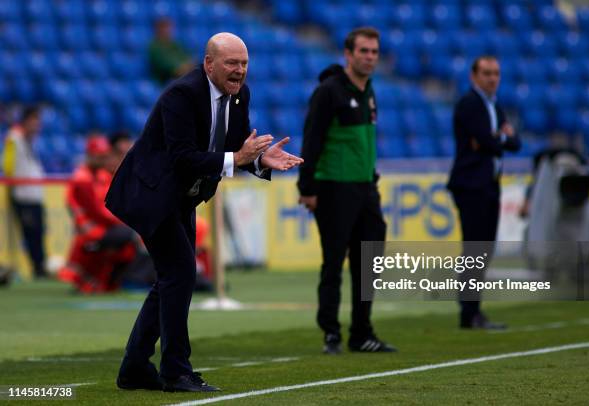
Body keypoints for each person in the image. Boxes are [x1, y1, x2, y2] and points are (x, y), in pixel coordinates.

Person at [106, 32, 303, 392]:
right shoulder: (181, 95)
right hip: (152, 193)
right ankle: (175, 371)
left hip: (183, 196)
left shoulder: (240, 95)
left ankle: (135, 367)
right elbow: (183, 159)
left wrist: (260, 159)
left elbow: (237, 150)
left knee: (172, 277)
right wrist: (239, 158)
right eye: (232, 63)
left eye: (244, 63)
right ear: (208, 63)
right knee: (181, 271)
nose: (240, 71)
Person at [297, 27, 395, 354]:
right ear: (348, 54)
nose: (369, 57)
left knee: (368, 264)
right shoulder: (328, 92)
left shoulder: (370, 90)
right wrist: (307, 187)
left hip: (366, 189)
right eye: (363, 51)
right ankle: (331, 333)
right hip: (334, 189)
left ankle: (362, 333)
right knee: (334, 263)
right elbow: (312, 140)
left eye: (374, 52)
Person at [447, 56, 521, 330]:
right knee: (475, 248)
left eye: (496, 73)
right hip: (471, 184)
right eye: (487, 73)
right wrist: (500, 137)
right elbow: (492, 140)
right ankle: (469, 312)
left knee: (484, 249)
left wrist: (497, 139)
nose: (493, 78)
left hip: (489, 183)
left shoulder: (494, 106)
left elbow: (512, 142)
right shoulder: (470, 104)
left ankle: (473, 309)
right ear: (473, 76)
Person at [60, 135, 138, 293]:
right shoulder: (82, 179)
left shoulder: (101, 175)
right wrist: (124, 221)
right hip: (92, 229)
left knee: (128, 244)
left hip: (104, 227)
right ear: (90, 155)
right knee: (129, 235)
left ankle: (108, 283)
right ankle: (97, 281)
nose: (104, 159)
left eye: (105, 155)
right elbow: (98, 211)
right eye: (100, 156)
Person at [1, 106, 47, 279]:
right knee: (31, 232)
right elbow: (8, 165)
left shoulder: (29, 140)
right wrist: (14, 183)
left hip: (33, 194)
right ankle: (38, 268)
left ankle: (40, 266)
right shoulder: (15, 138)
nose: (37, 126)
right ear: (26, 121)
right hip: (23, 194)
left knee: (38, 232)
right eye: (34, 122)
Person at [148, 18, 195, 84]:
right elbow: (169, 69)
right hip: (164, 82)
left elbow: (189, 60)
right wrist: (183, 69)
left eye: (168, 27)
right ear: (157, 30)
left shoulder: (175, 44)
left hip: (182, 79)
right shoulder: (154, 47)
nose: (167, 30)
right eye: (163, 28)